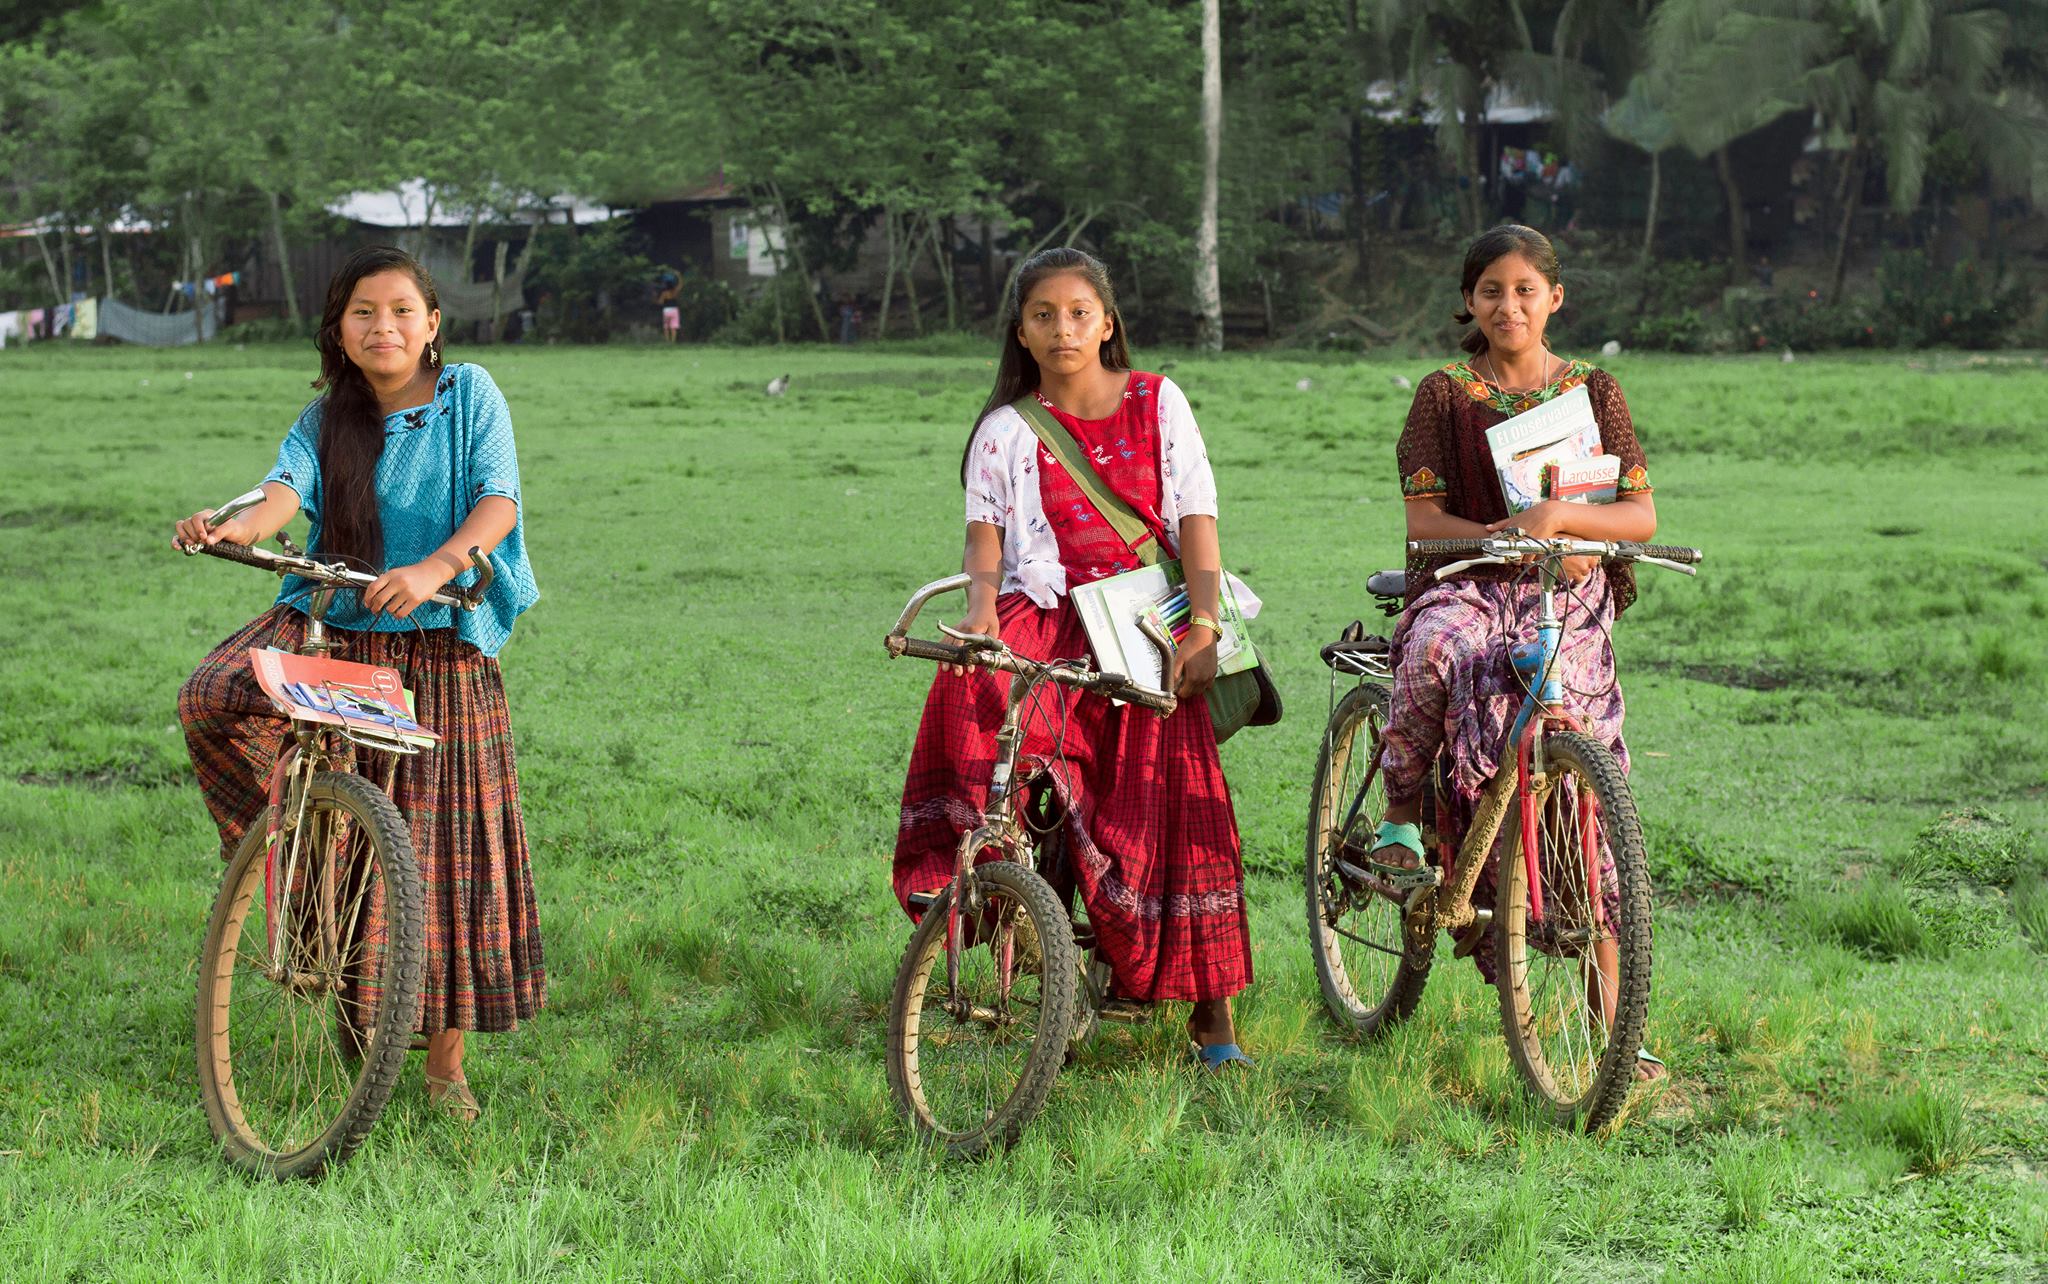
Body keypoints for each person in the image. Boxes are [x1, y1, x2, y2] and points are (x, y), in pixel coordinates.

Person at [173, 245, 544, 1120]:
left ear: (432, 324)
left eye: (402, 311)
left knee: (440, 860)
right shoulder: (324, 419)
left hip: (440, 647)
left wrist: (435, 566)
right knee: (211, 696)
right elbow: (282, 492)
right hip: (336, 637)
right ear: (338, 331)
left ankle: (445, 1068)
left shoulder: (470, 395)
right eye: (364, 313)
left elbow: (498, 501)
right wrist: (231, 524)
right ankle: (299, 856)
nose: (384, 327)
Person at [893, 247, 1255, 1070]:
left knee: (1171, 799)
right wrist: (981, 616)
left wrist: (1202, 626)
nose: (1063, 328)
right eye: (1044, 315)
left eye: (1079, 313)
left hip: (1142, 621)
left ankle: (1211, 1016)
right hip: (1047, 614)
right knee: (973, 696)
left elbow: (1196, 521)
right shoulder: (1004, 429)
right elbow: (985, 545)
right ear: (1020, 332)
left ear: (1108, 324)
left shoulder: (1159, 402)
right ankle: (996, 888)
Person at [1371, 224, 1666, 1081]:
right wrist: (1508, 534)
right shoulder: (1443, 394)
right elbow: (1424, 524)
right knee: (1435, 651)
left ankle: (1616, 1027)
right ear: (1470, 301)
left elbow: (1639, 517)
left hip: (1564, 594)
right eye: (1491, 291)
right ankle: (1401, 814)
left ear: (1555, 299)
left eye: (1526, 290)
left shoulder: (1594, 389)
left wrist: (1561, 521)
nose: (1509, 306)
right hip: (1469, 580)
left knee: (1591, 800)